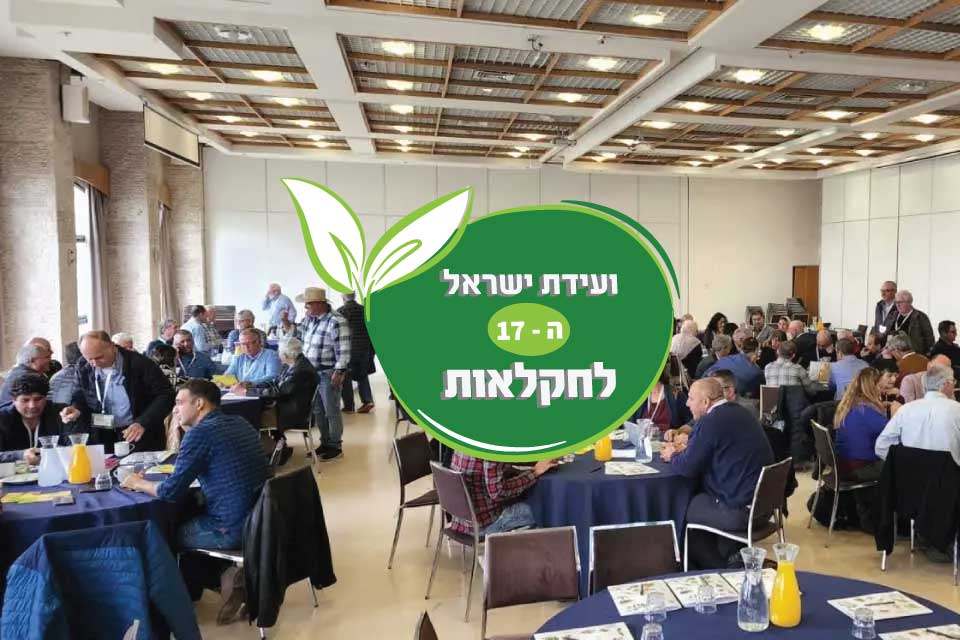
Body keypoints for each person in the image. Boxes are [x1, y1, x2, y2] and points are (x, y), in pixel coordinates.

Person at [120, 379, 269, 625]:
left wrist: (137, 483)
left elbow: (170, 491)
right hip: (262, 519)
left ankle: (184, 599)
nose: (175, 409)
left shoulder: (201, 434)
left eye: (179, 403)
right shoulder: (239, 422)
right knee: (189, 512)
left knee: (166, 533)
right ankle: (228, 578)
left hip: (230, 529)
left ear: (199, 404)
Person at [661, 378, 773, 569]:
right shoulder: (740, 411)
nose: (687, 404)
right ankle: (730, 556)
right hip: (764, 507)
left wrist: (672, 455)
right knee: (700, 499)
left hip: (740, 511)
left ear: (706, 402)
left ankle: (722, 568)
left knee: (682, 506)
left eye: (691, 398)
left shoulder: (710, 422)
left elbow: (687, 467)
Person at [60, 331, 174, 453]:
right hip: (102, 433)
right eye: (89, 359)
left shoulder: (140, 363)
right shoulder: (83, 365)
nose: (95, 363)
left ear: (112, 346)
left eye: (99, 357)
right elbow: (79, 395)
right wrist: (76, 408)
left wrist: (143, 422)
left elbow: (166, 395)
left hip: (138, 432)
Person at [281, 287, 351, 461]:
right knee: (318, 410)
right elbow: (296, 336)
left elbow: (344, 349)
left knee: (331, 410)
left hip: (328, 372)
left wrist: (339, 371)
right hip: (311, 373)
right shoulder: (309, 320)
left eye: (308, 305)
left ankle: (335, 446)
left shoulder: (336, 321)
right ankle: (325, 442)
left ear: (319, 304)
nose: (306, 308)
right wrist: (286, 324)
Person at [832, 367, 889, 532]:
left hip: (843, 464)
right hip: (859, 468)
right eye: (881, 385)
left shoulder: (850, 405)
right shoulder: (868, 412)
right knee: (902, 464)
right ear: (873, 386)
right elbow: (892, 432)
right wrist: (894, 412)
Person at [449, 450, 556, 536]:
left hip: (461, 522)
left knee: (529, 497)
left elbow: (484, 471)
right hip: (485, 525)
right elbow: (498, 493)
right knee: (546, 508)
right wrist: (535, 471)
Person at [248, 337, 317, 465]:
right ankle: (279, 447)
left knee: (253, 418)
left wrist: (249, 392)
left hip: (294, 413)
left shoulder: (300, 370)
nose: (278, 354)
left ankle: (274, 450)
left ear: (286, 354)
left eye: (279, 351)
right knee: (257, 413)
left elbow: (278, 392)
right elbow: (275, 383)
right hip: (289, 407)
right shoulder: (293, 364)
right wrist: (252, 386)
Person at [875, 363, 960, 466]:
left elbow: (881, 446)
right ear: (946, 384)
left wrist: (903, 464)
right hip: (950, 473)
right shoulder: (957, 410)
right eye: (953, 381)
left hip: (911, 473)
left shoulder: (905, 409)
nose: (954, 385)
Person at [0, 374, 71, 460]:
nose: (32, 405)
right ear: (13, 400)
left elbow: (75, 446)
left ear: (46, 398)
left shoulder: (61, 413)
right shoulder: (2, 418)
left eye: (38, 399)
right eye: (25, 400)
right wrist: (21, 455)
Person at [337, 293, 375, 414]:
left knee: (346, 376)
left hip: (349, 348)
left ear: (343, 298)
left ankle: (349, 406)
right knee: (362, 375)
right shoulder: (364, 310)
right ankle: (367, 400)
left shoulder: (340, 311)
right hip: (364, 347)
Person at [893, 290, 935, 356]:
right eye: (896, 302)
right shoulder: (894, 315)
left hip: (914, 354)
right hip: (896, 353)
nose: (897, 305)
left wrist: (928, 354)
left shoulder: (920, 317)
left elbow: (929, 338)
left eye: (900, 302)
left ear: (909, 302)